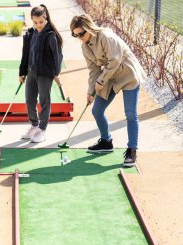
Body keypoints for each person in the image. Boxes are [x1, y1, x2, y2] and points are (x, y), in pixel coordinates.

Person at [70, 14, 147, 167]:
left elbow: (115, 61)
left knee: (130, 113)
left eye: (81, 33)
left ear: (89, 28)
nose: (79, 37)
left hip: (127, 73)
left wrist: (101, 81)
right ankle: (106, 141)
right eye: (75, 34)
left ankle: (132, 150)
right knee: (97, 110)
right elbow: (93, 70)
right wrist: (90, 91)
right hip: (110, 76)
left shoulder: (106, 36)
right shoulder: (85, 47)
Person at [19, 4, 63, 143]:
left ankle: (42, 130)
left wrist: (56, 73)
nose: (38, 25)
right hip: (31, 72)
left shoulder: (51, 35)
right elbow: (25, 54)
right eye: (35, 22)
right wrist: (22, 72)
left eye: (41, 22)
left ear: (46, 19)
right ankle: (34, 125)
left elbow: (57, 56)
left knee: (44, 101)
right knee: (29, 100)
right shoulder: (31, 33)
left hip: (45, 73)